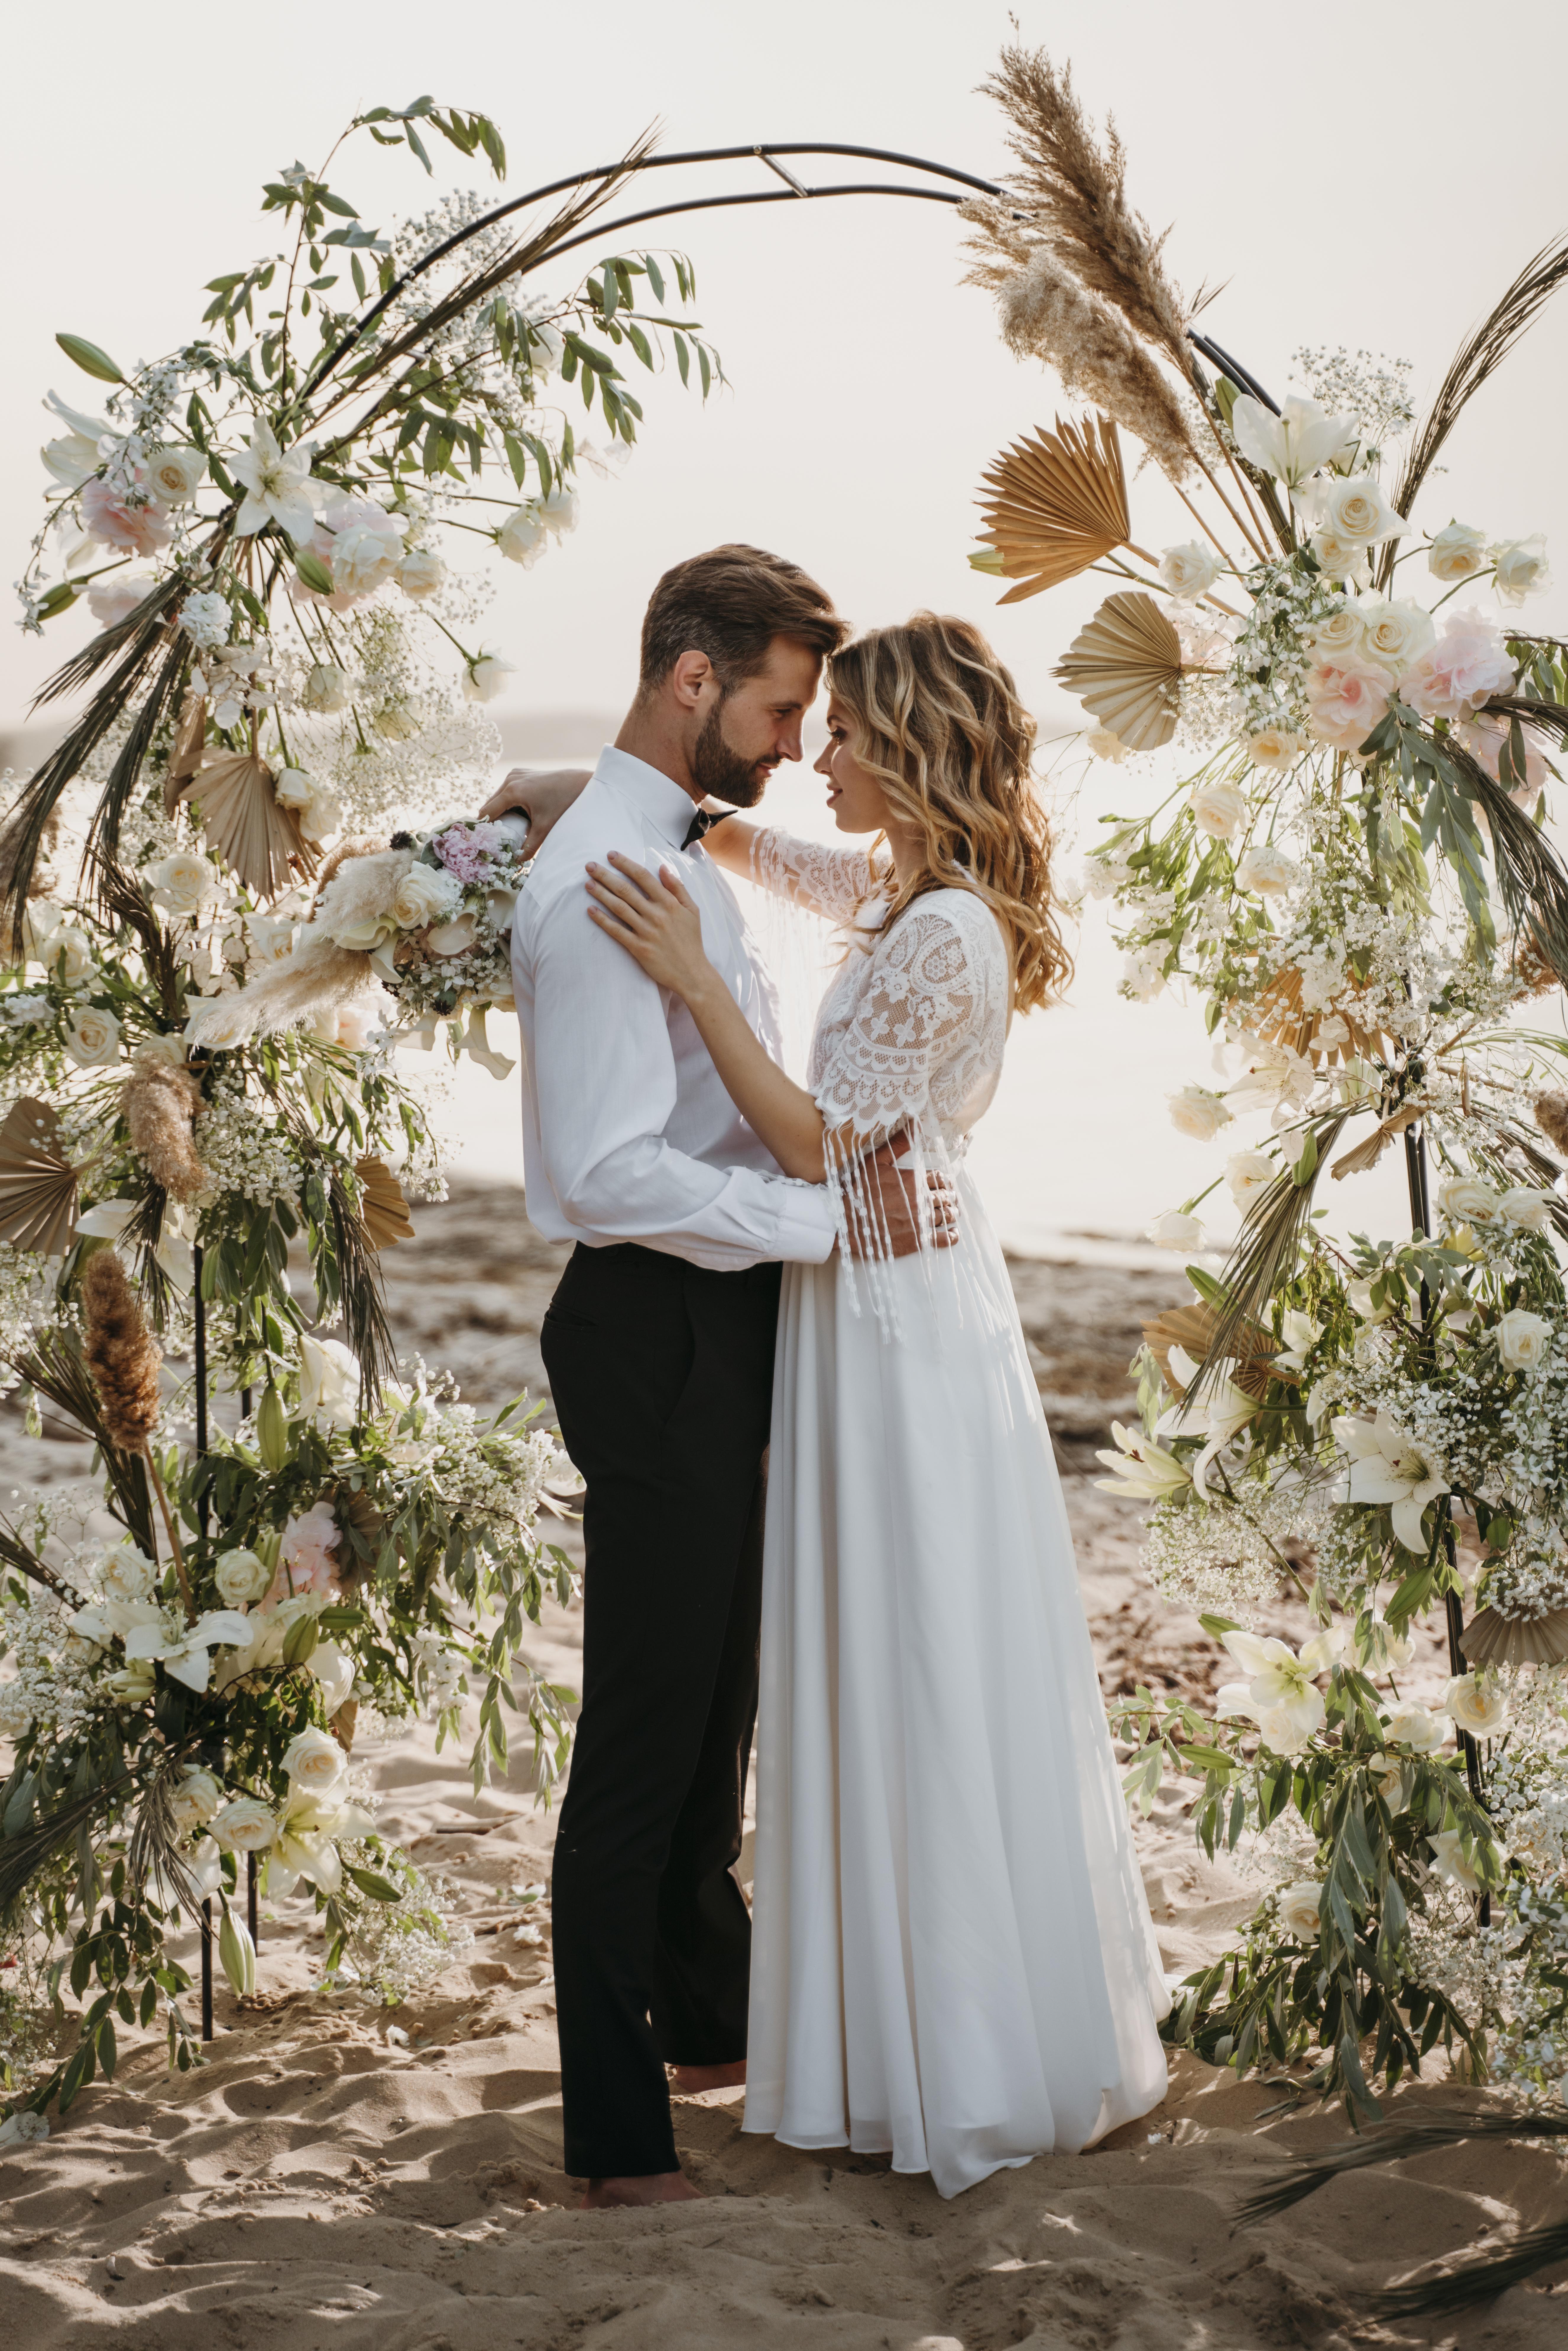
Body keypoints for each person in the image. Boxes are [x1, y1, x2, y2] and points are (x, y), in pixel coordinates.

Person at [584, 611, 1171, 2199]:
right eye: (811, 725)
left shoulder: (949, 934)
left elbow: (813, 1147)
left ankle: (957, 2048)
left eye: (842, 734)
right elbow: (805, 870)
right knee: (871, 1645)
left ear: (909, 750)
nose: (817, 754)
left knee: (914, 1652)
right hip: (866, 1306)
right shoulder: (907, 890)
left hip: (899, 1328)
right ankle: (878, 2026)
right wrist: (674, 819)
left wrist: (698, 983)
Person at [492, 548, 949, 2210]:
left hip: (718, 1324)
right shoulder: (603, 885)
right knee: (642, 1740)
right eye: (772, 708)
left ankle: (705, 2014)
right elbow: (609, 1171)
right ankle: (616, 2133)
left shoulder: (655, 841)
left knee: (713, 1729)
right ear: (692, 680)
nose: (784, 742)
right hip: (655, 1327)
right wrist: (820, 1220)